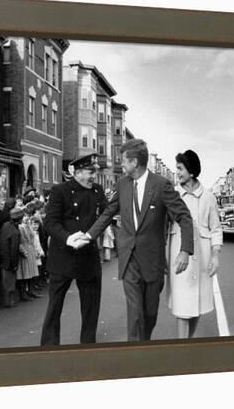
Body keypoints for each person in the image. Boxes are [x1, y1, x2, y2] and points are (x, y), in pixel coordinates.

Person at [82, 139, 194, 342]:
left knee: (149, 314)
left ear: (134, 162)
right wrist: (89, 235)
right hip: (129, 258)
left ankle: (144, 342)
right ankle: (135, 354)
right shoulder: (123, 184)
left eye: (124, 161)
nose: (121, 164)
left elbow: (184, 217)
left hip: (152, 262)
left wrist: (185, 250)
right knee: (135, 312)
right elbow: (109, 212)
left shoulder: (161, 185)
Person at [40, 153, 108, 346]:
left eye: (94, 172)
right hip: (63, 256)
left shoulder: (97, 191)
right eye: (89, 172)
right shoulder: (60, 190)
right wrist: (68, 238)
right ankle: (49, 347)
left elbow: (106, 215)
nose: (93, 176)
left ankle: (87, 346)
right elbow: (50, 223)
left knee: (91, 307)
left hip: (88, 256)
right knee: (54, 306)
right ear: (77, 173)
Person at [166, 150, 222, 338]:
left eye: (180, 168)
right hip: (179, 255)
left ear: (191, 171)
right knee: (182, 305)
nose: (177, 172)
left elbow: (215, 229)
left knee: (198, 305)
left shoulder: (208, 197)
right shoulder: (173, 195)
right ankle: (183, 347)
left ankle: (187, 341)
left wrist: (215, 256)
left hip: (203, 256)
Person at [0, 207, 25, 308]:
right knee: (10, 282)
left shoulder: (5, 225)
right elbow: (14, 250)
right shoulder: (15, 232)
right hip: (9, 260)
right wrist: (15, 264)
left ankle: (3, 301)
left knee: (4, 281)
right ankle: (9, 302)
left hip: (2, 257)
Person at [16, 205, 40, 301]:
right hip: (24, 250)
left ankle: (30, 291)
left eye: (27, 216)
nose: (26, 218)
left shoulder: (28, 226)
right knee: (24, 273)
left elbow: (32, 238)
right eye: (25, 216)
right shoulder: (20, 227)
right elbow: (20, 241)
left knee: (31, 272)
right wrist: (23, 251)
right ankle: (23, 293)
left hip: (30, 249)